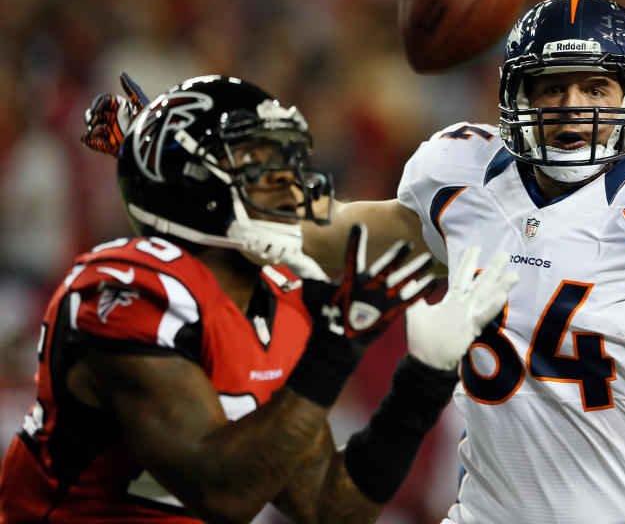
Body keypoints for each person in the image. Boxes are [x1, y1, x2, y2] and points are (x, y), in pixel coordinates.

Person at [78, 0, 625, 524]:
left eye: (593, 88)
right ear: (513, 98)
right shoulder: (463, 178)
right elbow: (319, 233)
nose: (570, 107)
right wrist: (171, 164)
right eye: (549, 88)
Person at [0, 75, 519, 523]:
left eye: (288, 162)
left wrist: (422, 381)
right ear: (193, 183)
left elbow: (329, 509)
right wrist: (333, 350)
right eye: (259, 166)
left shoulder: (278, 301)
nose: (290, 184)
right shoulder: (126, 290)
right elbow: (222, 496)